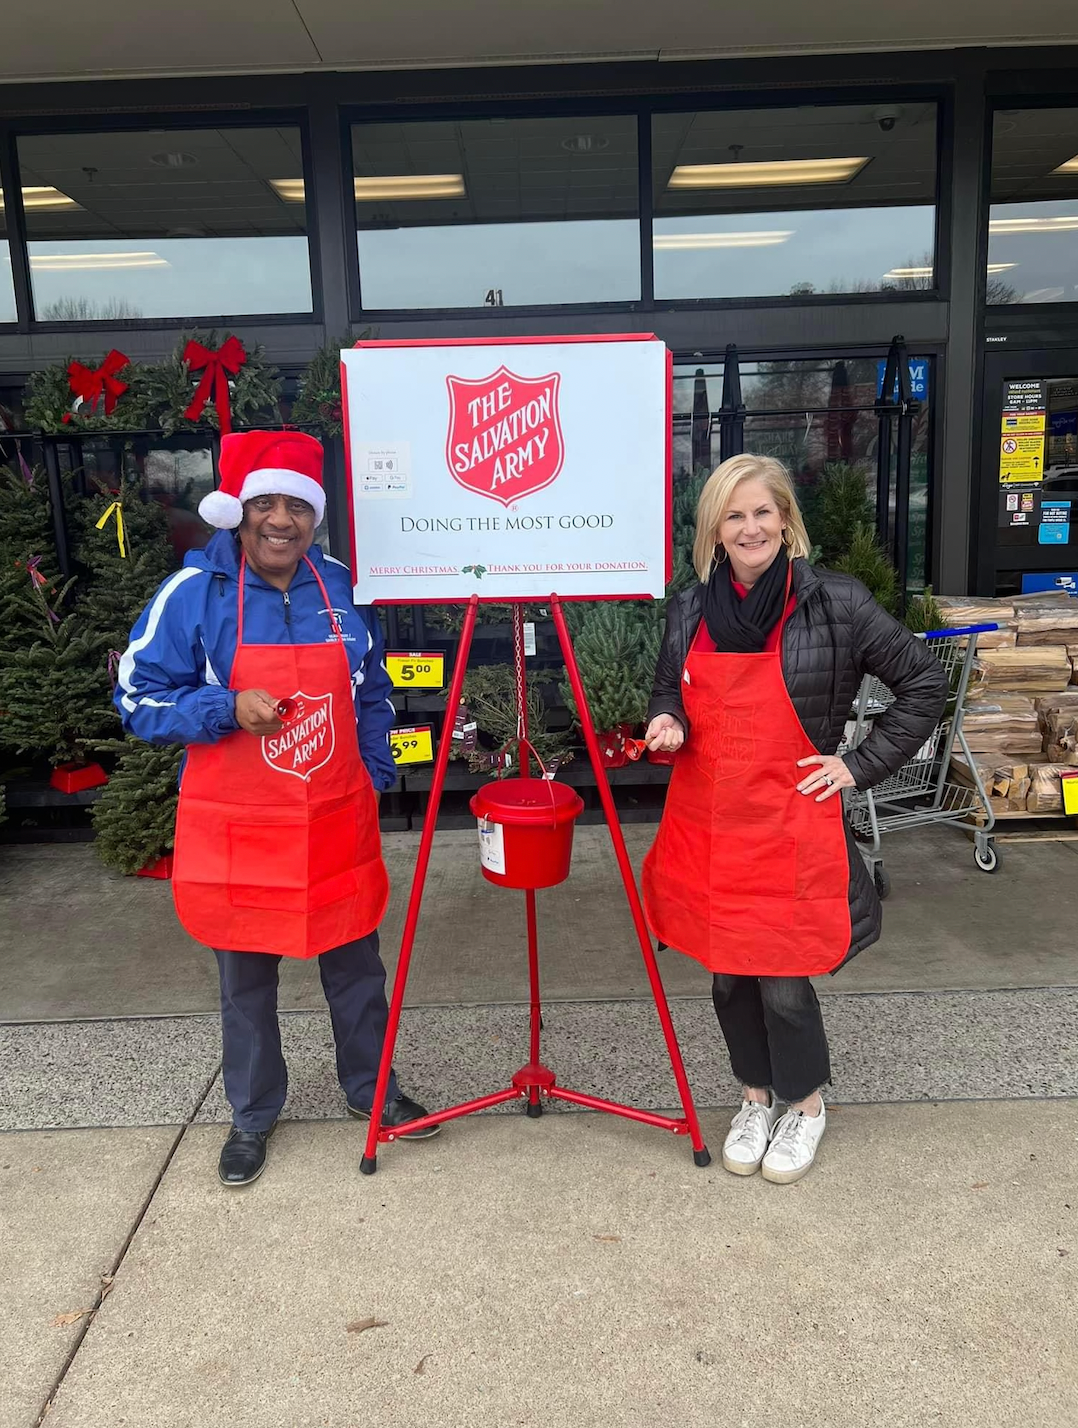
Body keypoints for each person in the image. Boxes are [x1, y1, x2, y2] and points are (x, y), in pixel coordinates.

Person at [117, 430, 437, 1187]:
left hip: (333, 820)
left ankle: (372, 1090)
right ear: (240, 512)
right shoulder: (192, 596)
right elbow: (136, 698)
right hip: (239, 828)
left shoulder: (340, 587)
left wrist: (373, 767)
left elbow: (373, 691)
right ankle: (253, 1114)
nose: (281, 521)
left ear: (314, 518)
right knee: (246, 982)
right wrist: (223, 708)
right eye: (266, 503)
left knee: (358, 967)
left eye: (297, 505)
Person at [642, 454, 948, 1184]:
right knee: (726, 978)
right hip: (710, 824)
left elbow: (923, 682)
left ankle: (805, 1107)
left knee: (780, 978)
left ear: (786, 520)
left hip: (789, 821)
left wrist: (856, 765)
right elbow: (668, 691)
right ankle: (754, 1099)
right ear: (715, 528)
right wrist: (666, 721)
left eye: (763, 512)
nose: (750, 527)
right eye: (734, 514)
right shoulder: (690, 608)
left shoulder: (834, 602)